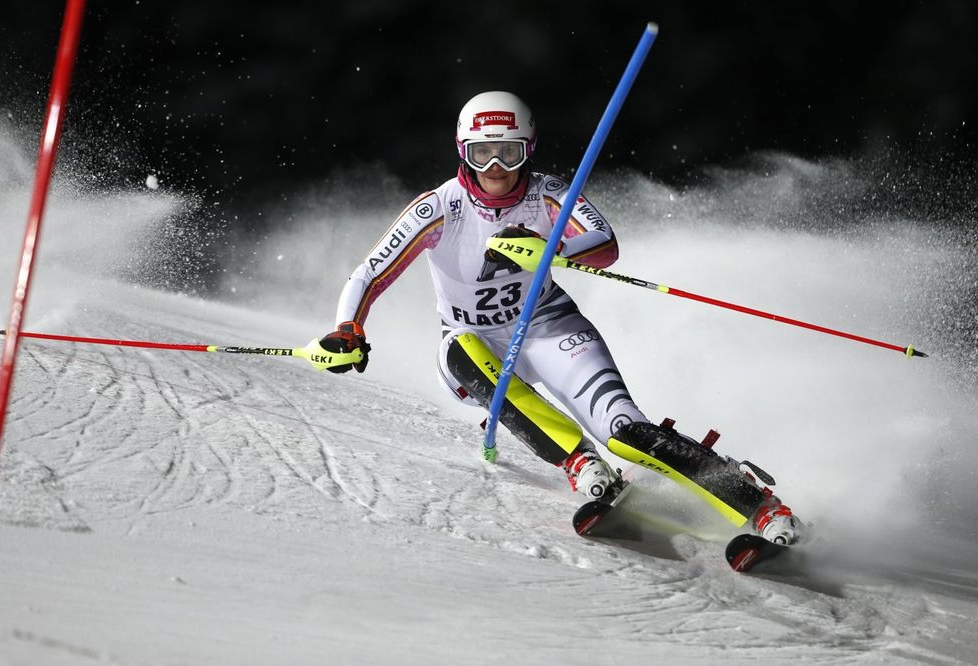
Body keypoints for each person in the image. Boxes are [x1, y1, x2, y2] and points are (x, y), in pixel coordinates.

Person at [318, 91, 803, 545]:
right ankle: (578, 461)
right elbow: (369, 275)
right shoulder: (440, 208)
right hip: (473, 339)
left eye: (508, 154)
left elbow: (604, 244)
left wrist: (547, 250)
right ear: (462, 151)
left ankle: (759, 506)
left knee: (624, 431)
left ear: (528, 150)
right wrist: (348, 328)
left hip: (550, 327)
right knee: (461, 356)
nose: (495, 168)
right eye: (481, 153)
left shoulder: (548, 195)